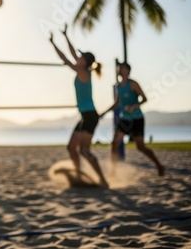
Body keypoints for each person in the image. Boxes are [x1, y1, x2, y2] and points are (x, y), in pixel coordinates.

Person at [49, 24, 109, 188]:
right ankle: (79, 175)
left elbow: (66, 59)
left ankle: (102, 180)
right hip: (85, 116)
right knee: (71, 148)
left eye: (81, 57)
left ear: (85, 62)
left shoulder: (83, 72)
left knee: (84, 150)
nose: (78, 57)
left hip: (90, 116)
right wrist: (66, 36)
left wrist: (53, 43)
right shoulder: (82, 69)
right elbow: (73, 53)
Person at [100, 62, 165, 176]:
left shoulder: (133, 84)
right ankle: (113, 172)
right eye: (118, 67)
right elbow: (117, 103)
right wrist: (104, 113)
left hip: (137, 119)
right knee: (114, 144)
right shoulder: (118, 87)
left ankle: (159, 165)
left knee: (140, 147)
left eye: (122, 68)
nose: (119, 69)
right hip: (124, 119)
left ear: (128, 71)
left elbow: (145, 99)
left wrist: (134, 106)